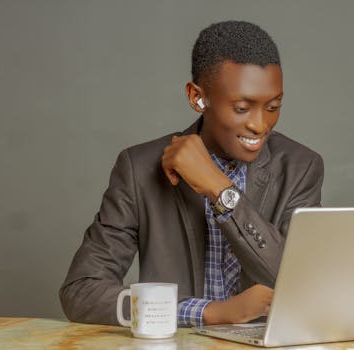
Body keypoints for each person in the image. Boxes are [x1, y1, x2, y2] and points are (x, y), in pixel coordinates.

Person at [59, 20, 324, 327]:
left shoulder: (300, 167)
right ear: (197, 97)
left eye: (273, 106)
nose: (260, 124)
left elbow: (300, 284)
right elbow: (81, 292)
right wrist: (208, 313)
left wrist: (218, 188)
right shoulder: (139, 168)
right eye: (241, 107)